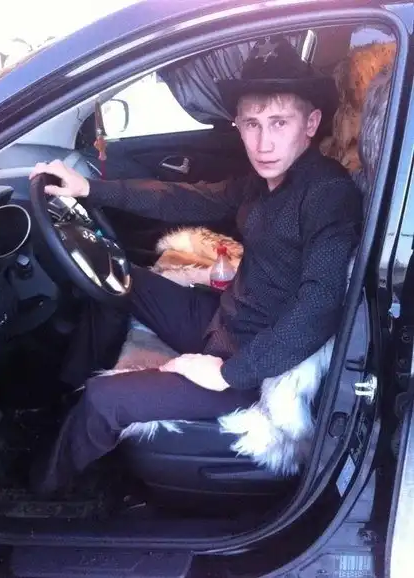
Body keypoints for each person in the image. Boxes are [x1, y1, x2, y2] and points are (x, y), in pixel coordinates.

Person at [28, 39, 363, 495]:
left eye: (279, 123)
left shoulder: (326, 193)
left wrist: (226, 374)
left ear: (311, 123)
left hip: (253, 363)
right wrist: (89, 188)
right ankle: (68, 404)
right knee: (122, 278)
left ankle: (42, 491)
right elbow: (187, 198)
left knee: (105, 399)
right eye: (252, 124)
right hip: (224, 320)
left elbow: (320, 306)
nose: (263, 143)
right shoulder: (264, 180)